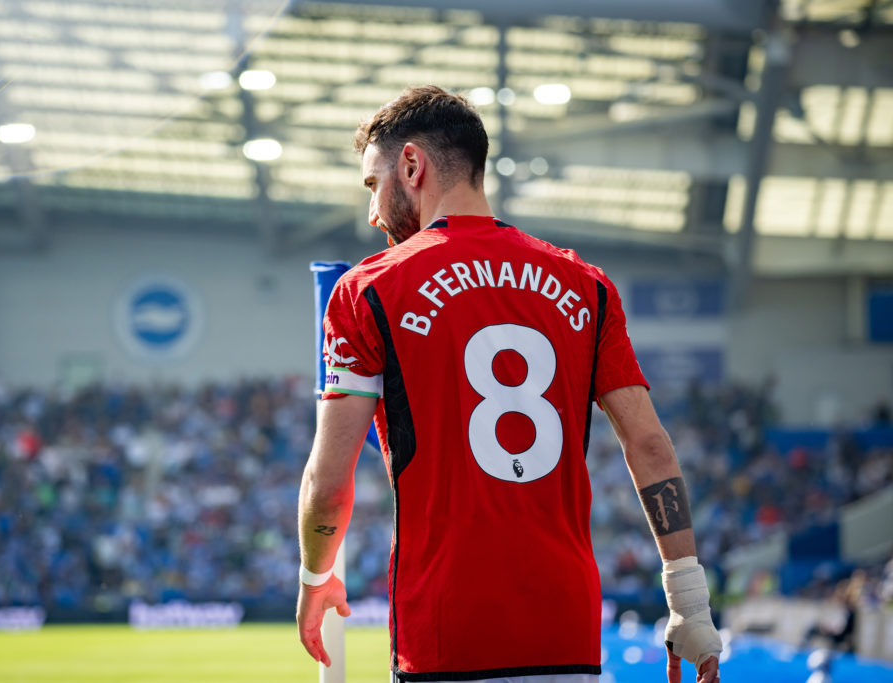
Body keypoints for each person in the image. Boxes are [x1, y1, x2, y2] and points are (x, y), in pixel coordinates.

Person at [296, 85, 722, 683]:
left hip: (446, 636)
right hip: (566, 631)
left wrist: (316, 577)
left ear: (412, 165)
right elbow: (650, 446)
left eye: (373, 185)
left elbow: (329, 474)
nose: (372, 213)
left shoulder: (369, 289)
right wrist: (689, 603)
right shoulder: (587, 285)